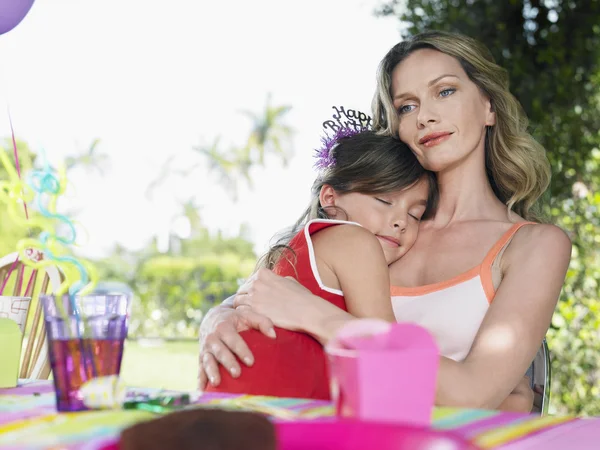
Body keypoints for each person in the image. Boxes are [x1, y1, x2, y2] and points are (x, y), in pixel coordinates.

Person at [198, 31, 571, 412]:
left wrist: (319, 318)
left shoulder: (534, 245)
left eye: (445, 91)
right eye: (407, 106)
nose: (426, 116)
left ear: (488, 106)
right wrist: (216, 318)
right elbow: (272, 288)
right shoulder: (379, 225)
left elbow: (472, 394)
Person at [204, 128, 437, 399]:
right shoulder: (356, 241)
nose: (401, 221)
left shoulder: (295, 251)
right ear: (330, 198)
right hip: (269, 407)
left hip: (232, 395)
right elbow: (390, 360)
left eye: (415, 214)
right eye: (384, 200)